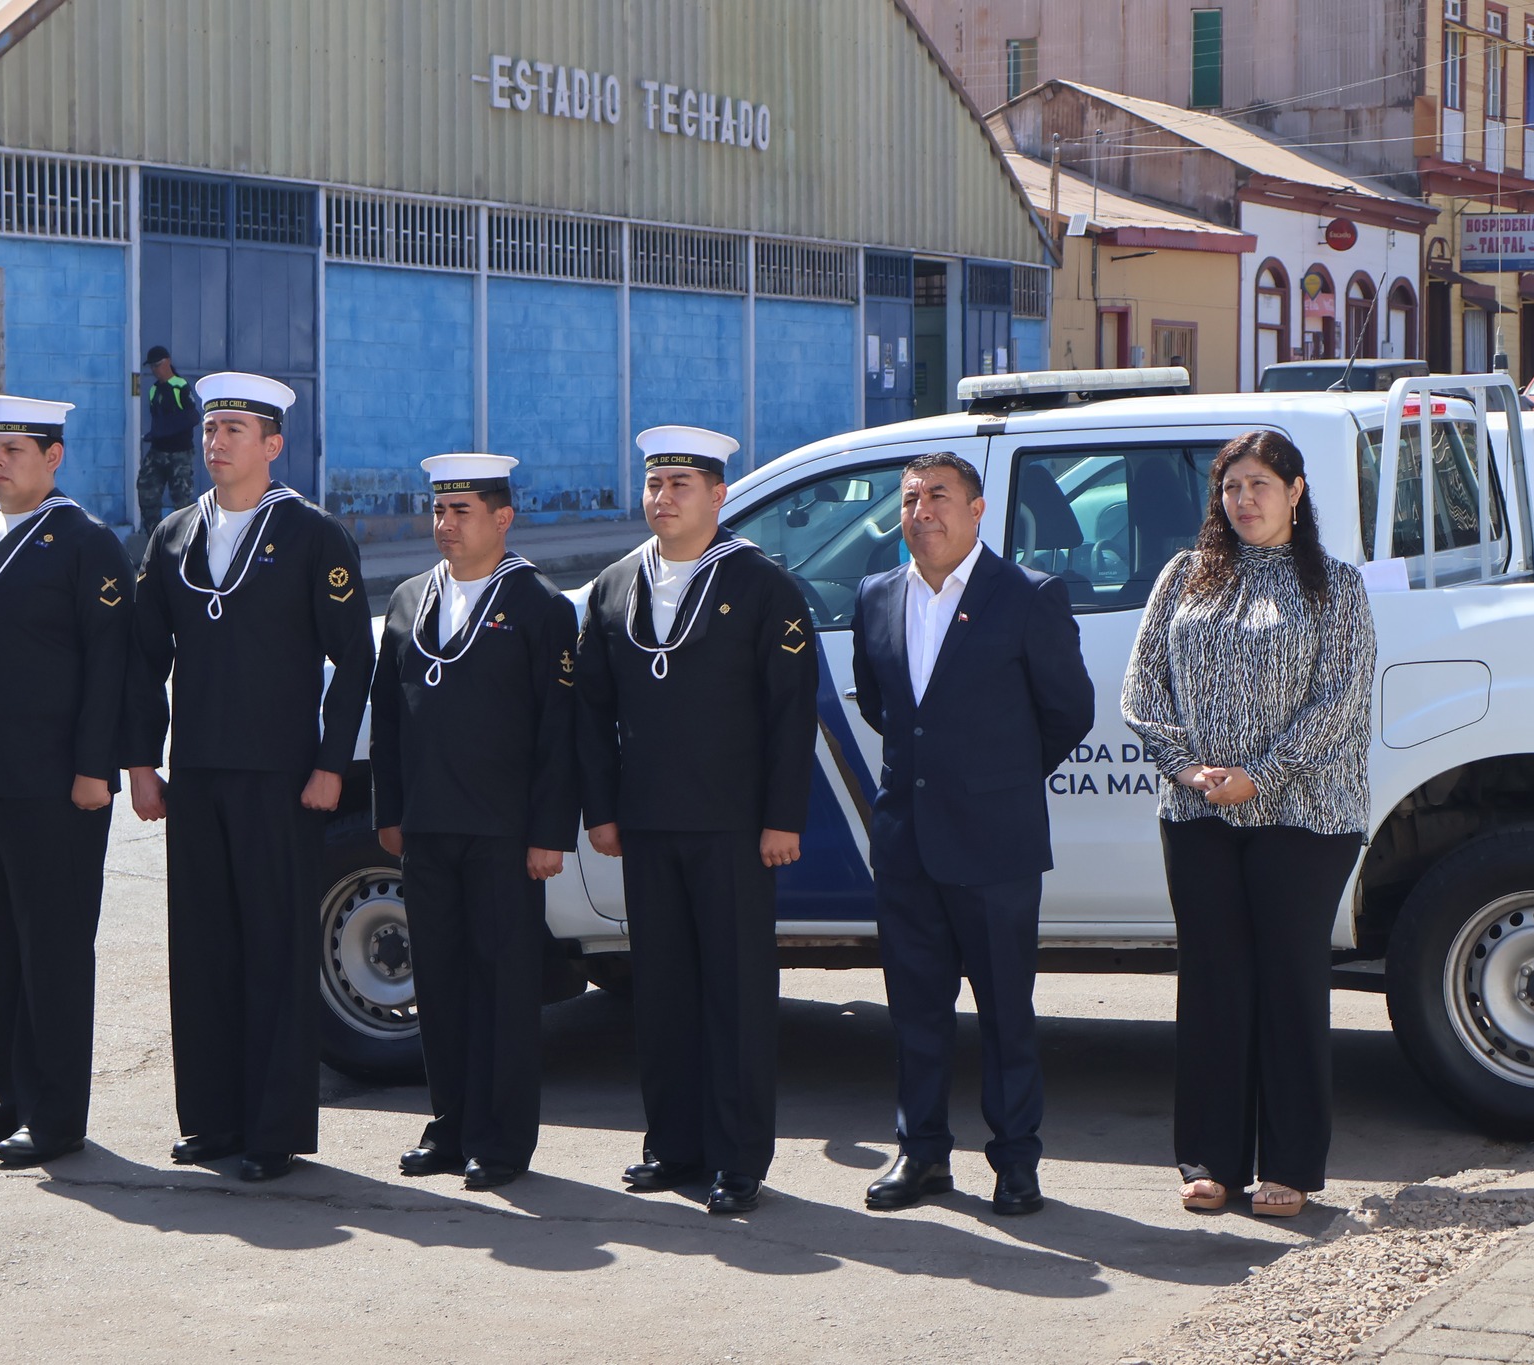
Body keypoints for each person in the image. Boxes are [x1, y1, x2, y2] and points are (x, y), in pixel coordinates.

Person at [123, 371, 374, 1183]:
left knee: (274, 948)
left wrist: (332, 763)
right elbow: (143, 658)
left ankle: (273, 1129)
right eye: (210, 428)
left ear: (273, 444)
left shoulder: (311, 534)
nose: (216, 441)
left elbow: (355, 657)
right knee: (203, 949)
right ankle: (211, 1118)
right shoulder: (173, 535)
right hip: (197, 775)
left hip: (281, 777)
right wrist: (142, 762)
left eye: (235, 430)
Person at [1120, 430, 1375, 1219]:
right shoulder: (1183, 576)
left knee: (1288, 982)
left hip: (1307, 815)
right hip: (1198, 812)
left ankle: (1290, 1164)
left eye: (1260, 483)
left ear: (1295, 491)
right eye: (1231, 486)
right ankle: (1211, 1161)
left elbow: (1341, 700)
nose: (1244, 499)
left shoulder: (1336, 584)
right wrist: (1187, 769)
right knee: (1213, 982)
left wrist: (1261, 775)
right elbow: (1142, 687)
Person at [574, 425, 817, 1216]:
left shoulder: (762, 585)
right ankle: (672, 1144)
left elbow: (791, 713)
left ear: (719, 494)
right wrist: (602, 810)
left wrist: (782, 817)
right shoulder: (615, 584)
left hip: (734, 827)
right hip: (648, 824)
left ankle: (738, 1157)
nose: (664, 496)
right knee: (663, 990)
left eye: (681, 483)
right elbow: (591, 710)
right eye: (654, 483)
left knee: (736, 993)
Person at [849, 451, 1094, 1217]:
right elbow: (885, 708)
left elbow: (1068, 710)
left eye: (939, 496)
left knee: (1005, 1014)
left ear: (978, 509)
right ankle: (921, 1153)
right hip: (906, 842)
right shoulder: (877, 595)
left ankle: (1016, 1161)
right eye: (910, 498)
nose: (922, 511)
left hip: (995, 843)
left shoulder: (1026, 595)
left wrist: (1001, 778)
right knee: (915, 1010)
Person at [0, 394, 133, 1167]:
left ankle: (56, 1113)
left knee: (54, 948)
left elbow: (112, 664)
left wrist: (95, 768)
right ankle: (3, 1094)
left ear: (53, 457)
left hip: (56, 785)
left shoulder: (85, 543)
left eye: (14, 449)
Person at [370, 453, 579, 1191]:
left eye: (462, 511)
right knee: (441, 983)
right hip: (428, 827)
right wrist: (390, 811)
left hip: (503, 833)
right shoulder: (408, 600)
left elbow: (559, 732)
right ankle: (450, 1125)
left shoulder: (539, 606)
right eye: (438, 510)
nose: (445, 524)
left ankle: (502, 1139)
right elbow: (388, 717)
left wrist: (549, 832)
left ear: (503, 517)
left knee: (503, 987)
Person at [138, 345, 201, 527]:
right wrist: (155, 434)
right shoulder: (154, 390)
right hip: (158, 451)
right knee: (146, 492)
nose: (155, 370)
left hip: (180, 452)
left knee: (182, 501)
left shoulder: (180, 386)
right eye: (152, 366)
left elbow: (193, 417)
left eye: (157, 365)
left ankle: (186, 538)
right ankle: (155, 536)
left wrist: (167, 429)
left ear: (168, 362)